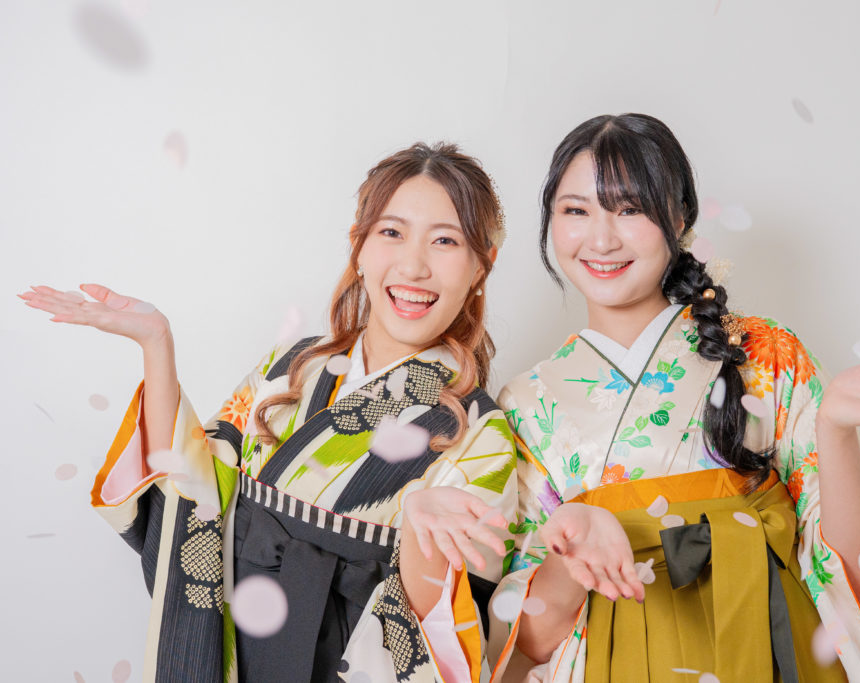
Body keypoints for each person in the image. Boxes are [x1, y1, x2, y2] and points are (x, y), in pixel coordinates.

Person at [486, 114, 860, 683]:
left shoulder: (764, 353)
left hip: (769, 653)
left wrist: (835, 429)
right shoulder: (527, 402)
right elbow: (528, 640)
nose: (601, 239)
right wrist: (575, 548)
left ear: (680, 218)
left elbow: (855, 577)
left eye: (630, 209)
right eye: (576, 210)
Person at [20, 142, 519, 683]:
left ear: (481, 266)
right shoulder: (291, 368)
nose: (414, 265)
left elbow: (455, 639)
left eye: (445, 240)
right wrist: (157, 345)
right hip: (231, 655)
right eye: (392, 232)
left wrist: (420, 538)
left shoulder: (480, 434)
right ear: (359, 246)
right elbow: (192, 486)